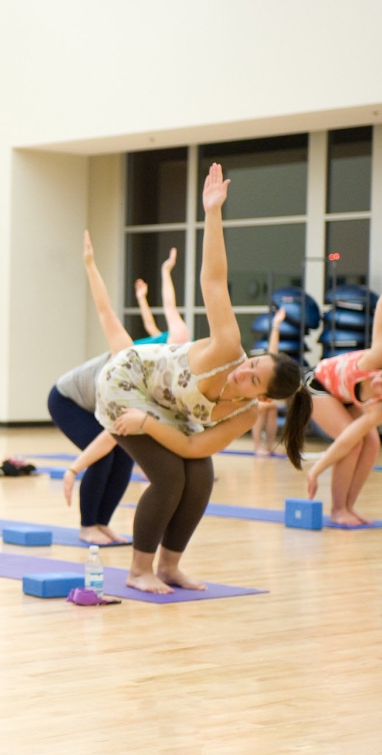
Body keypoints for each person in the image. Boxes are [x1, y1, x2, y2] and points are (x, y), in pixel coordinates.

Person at [94, 163, 312, 594]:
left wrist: (151, 423)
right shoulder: (228, 347)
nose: (243, 372)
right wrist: (213, 213)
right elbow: (214, 281)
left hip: (165, 408)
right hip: (126, 381)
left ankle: (170, 567)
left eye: (253, 380)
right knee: (169, 477)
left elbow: (194, 445)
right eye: (254, 363)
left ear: (264, 399)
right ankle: (138, 570)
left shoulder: (247, 414)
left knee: (199, 476)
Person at [304, 235, 382, 526]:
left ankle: (348, 506)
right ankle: (336, 510)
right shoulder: (380, 354)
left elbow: (352, 435)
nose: (378, 381)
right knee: (355, 443)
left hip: (341, 395)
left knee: (371, 444)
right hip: (316, 386)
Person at [50, 234, 133, 546]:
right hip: (67, 399)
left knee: (125, 456)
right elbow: (105, 309)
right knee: (102, 456)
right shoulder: (124, 353)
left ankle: (103, 523)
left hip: (95, 405)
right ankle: (87, 527)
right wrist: (89, 264)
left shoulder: (151, 387)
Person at [248, 308, 289, 455]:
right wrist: (276, 325)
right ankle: (257, 446)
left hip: (262, 398)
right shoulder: (258, 367)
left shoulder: (272, 365)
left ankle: (270, 445)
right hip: (249, 400)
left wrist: (277, 324)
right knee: (265, 407)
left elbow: (273, 347)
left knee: (271, 408)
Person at [132, 247, 191, 345]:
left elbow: (151, 326)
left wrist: (141, 298)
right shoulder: (173, 345)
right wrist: (165, 271)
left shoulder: (165, 348)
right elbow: (169, 307)